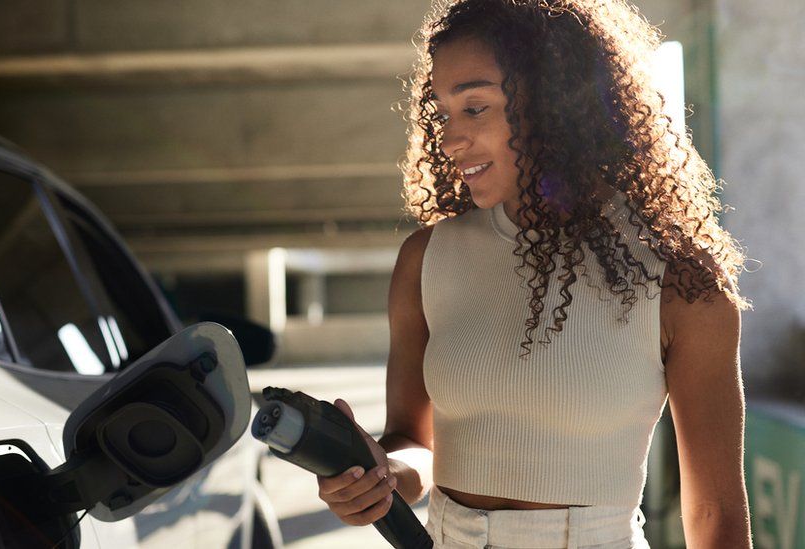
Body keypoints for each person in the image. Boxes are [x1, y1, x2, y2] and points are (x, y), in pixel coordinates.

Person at [315, 0, 753, 547]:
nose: (450, 140)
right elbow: (414, 442)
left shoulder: (679, 282)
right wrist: (380, 476)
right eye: (444, 111)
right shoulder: (426, 258)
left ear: (554, 103)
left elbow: (715, 513)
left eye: (475, 107)